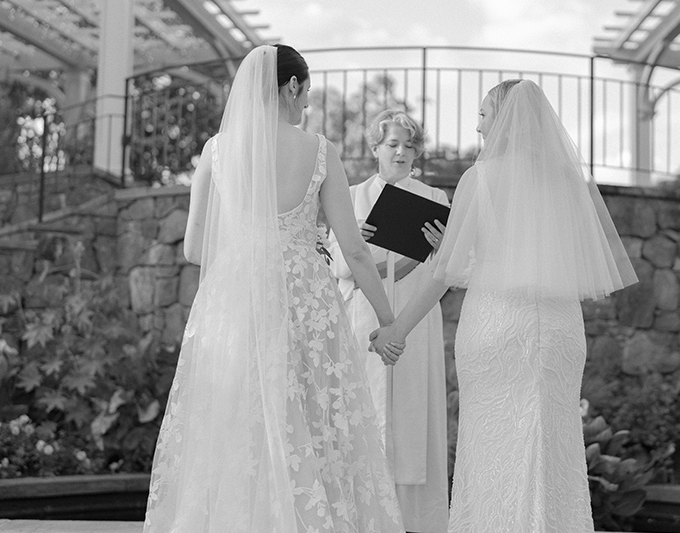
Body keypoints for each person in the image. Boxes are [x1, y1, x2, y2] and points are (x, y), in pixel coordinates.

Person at [143, 44, 405, 532]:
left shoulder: (217, 150)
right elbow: (355, 250)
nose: (306, 107)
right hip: (306, 298)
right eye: (305, 96)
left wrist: (248, 254)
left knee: (237, 419)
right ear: (291, 87)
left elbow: (194, 248)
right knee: (313, 420)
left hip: (233, 300)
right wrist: (388, 322)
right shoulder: (319, 150)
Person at [370, 79, 638, 532]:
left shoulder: (482, 177)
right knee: (554, 453)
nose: (477, 126)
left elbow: (443, 273)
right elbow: (544, 261)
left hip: (497, 328)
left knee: (494, 449)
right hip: (559, 331)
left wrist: (398, 330)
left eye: (483, 115)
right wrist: (456, 254)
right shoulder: (566, 181)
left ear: (506, 121)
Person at [327, 109, 449, 533]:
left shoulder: (435, 199)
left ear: (418, 151)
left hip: (416, 317)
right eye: (392, 144)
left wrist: (436, 250)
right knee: (367, 408)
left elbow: (449, 269)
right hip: (365, 316)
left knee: (414, 409)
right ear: (376, 148)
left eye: (409, 144)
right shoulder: (353, 195)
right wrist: (356, 243)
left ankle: (414, 520)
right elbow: (339, 268)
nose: (400, 151)